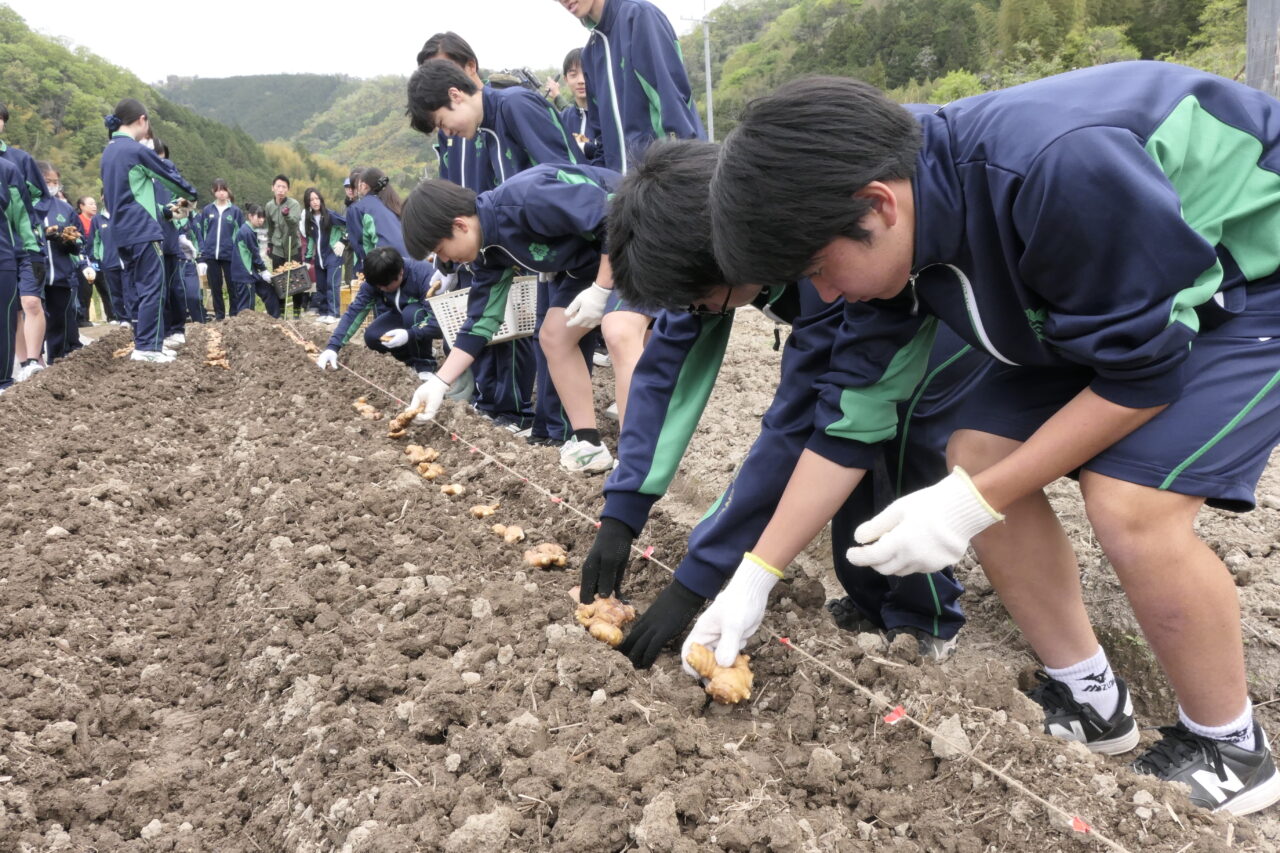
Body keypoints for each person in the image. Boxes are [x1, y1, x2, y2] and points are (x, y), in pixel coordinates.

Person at [681, 65, 1280, 816]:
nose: (824, 296)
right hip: (1107, 293)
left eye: (817, 270)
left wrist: (965, 511)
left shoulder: (1055, 169)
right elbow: (852, 418)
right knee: (976, 457)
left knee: (1132, 503)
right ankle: (1092, 697)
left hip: (1251, 271)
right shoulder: (897, 220)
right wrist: (757, 573)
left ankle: (1230, 746)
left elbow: (1143, 374)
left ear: (878, 206)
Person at [572, 140, 986, 667]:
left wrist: (697, 579)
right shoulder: (711, 260)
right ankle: (870, 596)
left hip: (938, 319)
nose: (695, 311)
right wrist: (622, 510)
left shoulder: (822, 272)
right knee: (851, 442)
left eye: (698, 300)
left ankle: (923, 615)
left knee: (892, 436)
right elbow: (662, 376)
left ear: (726, 254)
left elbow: (796, 427)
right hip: (867, 319)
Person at [403, 164, 622, 473]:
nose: (448, 261)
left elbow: (613, 218)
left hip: (630, 237)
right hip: (586, 263)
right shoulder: (489, 253)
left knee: (621, 335)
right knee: (554, 337)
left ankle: (638, 450)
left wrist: (601, 289)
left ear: (460, 225)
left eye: (443, 250)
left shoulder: (526, 200)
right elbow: (480, 322)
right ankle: (589, 444)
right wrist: (440, 382)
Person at [556, 0, 709, 428]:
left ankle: (636, 456)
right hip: (629, 206)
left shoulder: (638, 18)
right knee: (629, 333)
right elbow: (605, 144)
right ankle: (640, 434)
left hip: (668, 197)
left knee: (623, 331)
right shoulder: (592, 48)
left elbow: (675, 112)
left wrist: (687, 196)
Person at [100, 98, 197, 363]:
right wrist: (192, 195)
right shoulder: (135, 150)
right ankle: (148, 347)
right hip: (143, 229)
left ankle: (148, 342)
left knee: (139, 288)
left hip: (121, 232)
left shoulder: (109, 151)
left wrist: (165, 211)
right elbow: (169, 176)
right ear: (142, 119)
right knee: (154, 287)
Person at [314, 246, 443, 376]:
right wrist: (333, 346)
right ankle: (411, 360)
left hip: (424, 317)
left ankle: (425, 365)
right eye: (378, 286)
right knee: (372, 336)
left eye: (385, 286)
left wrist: (410, 334)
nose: (381, 289)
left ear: (400, 273)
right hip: (399, 315)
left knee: (412, 313)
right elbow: (355, 311)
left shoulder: (423, 275)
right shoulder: (376, 280)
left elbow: (438, 322)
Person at [35, 162, 90, 362]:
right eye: (48, 181)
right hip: (35, 274)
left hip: (61, 273)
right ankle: (34, 359)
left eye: (55, 182)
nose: (52, 185)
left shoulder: (65, 208)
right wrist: (44, 235)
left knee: (61, 320)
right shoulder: (28, 205)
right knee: (36, 318)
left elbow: (80, 240)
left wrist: (68, 240)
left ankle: (58, 360)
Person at [0, 155, 38, 392]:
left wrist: (31, 253)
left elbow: (22, 217)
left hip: (3, 256)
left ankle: (3, 381)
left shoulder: (7, 170)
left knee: (4, 320)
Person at [197, 179, 245, 320]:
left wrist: (240, 253)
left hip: (230, 255)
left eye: (223, 189)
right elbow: (201, 232)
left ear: (227, 190)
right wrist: (202, 252)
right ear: (214, 192)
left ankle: (234, 314)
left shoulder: (235, 211)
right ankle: (219, 315)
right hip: (211, 254)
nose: (221, 192)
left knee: (232, 286)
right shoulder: (207, 210)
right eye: (218, 190)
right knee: (215, 286)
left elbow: (241, 234)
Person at [342, 168, 405, 271]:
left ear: (363, 185)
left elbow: (362, 246)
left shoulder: (358, 208)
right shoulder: (390, 202)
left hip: (386, 264)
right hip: (409, 261)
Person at [303, 187, 346, 324]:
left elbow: (349, 225)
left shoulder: (330, 215)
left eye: (317, 198)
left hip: (333, 255)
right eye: (311, 200)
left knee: (332, 284)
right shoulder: (309, 220)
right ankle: (324, 311)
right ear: (308, 203)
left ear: (321, 200)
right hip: (320, 258)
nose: (315, 202)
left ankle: (334, 313)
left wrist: (343, 241)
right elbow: (310, 239)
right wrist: (308, 258)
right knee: (321, 286)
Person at [264, 174, 306, 316]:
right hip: (277, 248)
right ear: (273, 188)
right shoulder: (269, 206)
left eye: (284, 187)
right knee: (279, 282)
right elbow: (270, 227)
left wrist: (286, 215)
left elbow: (294, 223)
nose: (281, 190)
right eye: (278, 186)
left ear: (287, 189)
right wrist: (269, 244)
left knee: (296, 281)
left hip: (293, 246)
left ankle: (296, 312)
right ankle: (281, 312)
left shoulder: (293, 204)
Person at [230, 203, 274, 315]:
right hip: (245, 274)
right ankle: (243, 330)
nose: (261, 220)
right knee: (247, 308)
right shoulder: (246, 232)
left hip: (248, 272)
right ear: (250, 216)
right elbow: (255, 254)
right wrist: (264, 270)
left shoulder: (248, 230)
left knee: (266, 291)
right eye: (258, 216)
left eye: (263, 217)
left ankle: (274, 316)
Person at [88, 205, 126, 327]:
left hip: (128, 260)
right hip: (109, 261)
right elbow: (94, 241)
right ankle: (123, 318)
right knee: (115, 292)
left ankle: (135, 316)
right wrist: (95, 259)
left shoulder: (123, 212)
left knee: (130, 290)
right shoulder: (97, 219)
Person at [559, 48, 591, 153]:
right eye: (573, 75)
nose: (581, 81)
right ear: (566, 79)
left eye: (586, 73)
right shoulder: (562, 119)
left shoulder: (611, 117)